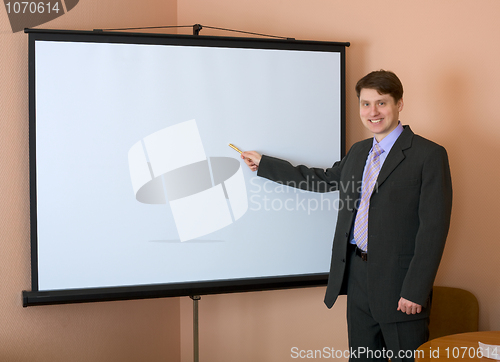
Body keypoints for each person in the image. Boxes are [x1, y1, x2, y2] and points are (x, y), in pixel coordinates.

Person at [241, 70, 452, 362]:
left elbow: (434, 229)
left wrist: (416, 291)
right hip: (358, 277)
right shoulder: (358, 152)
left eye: (381, 103)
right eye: (365, 104)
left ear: (399, 103)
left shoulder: (428, 155)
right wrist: (266, 165)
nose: (372, 112)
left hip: (401, 284)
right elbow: (321, 180)